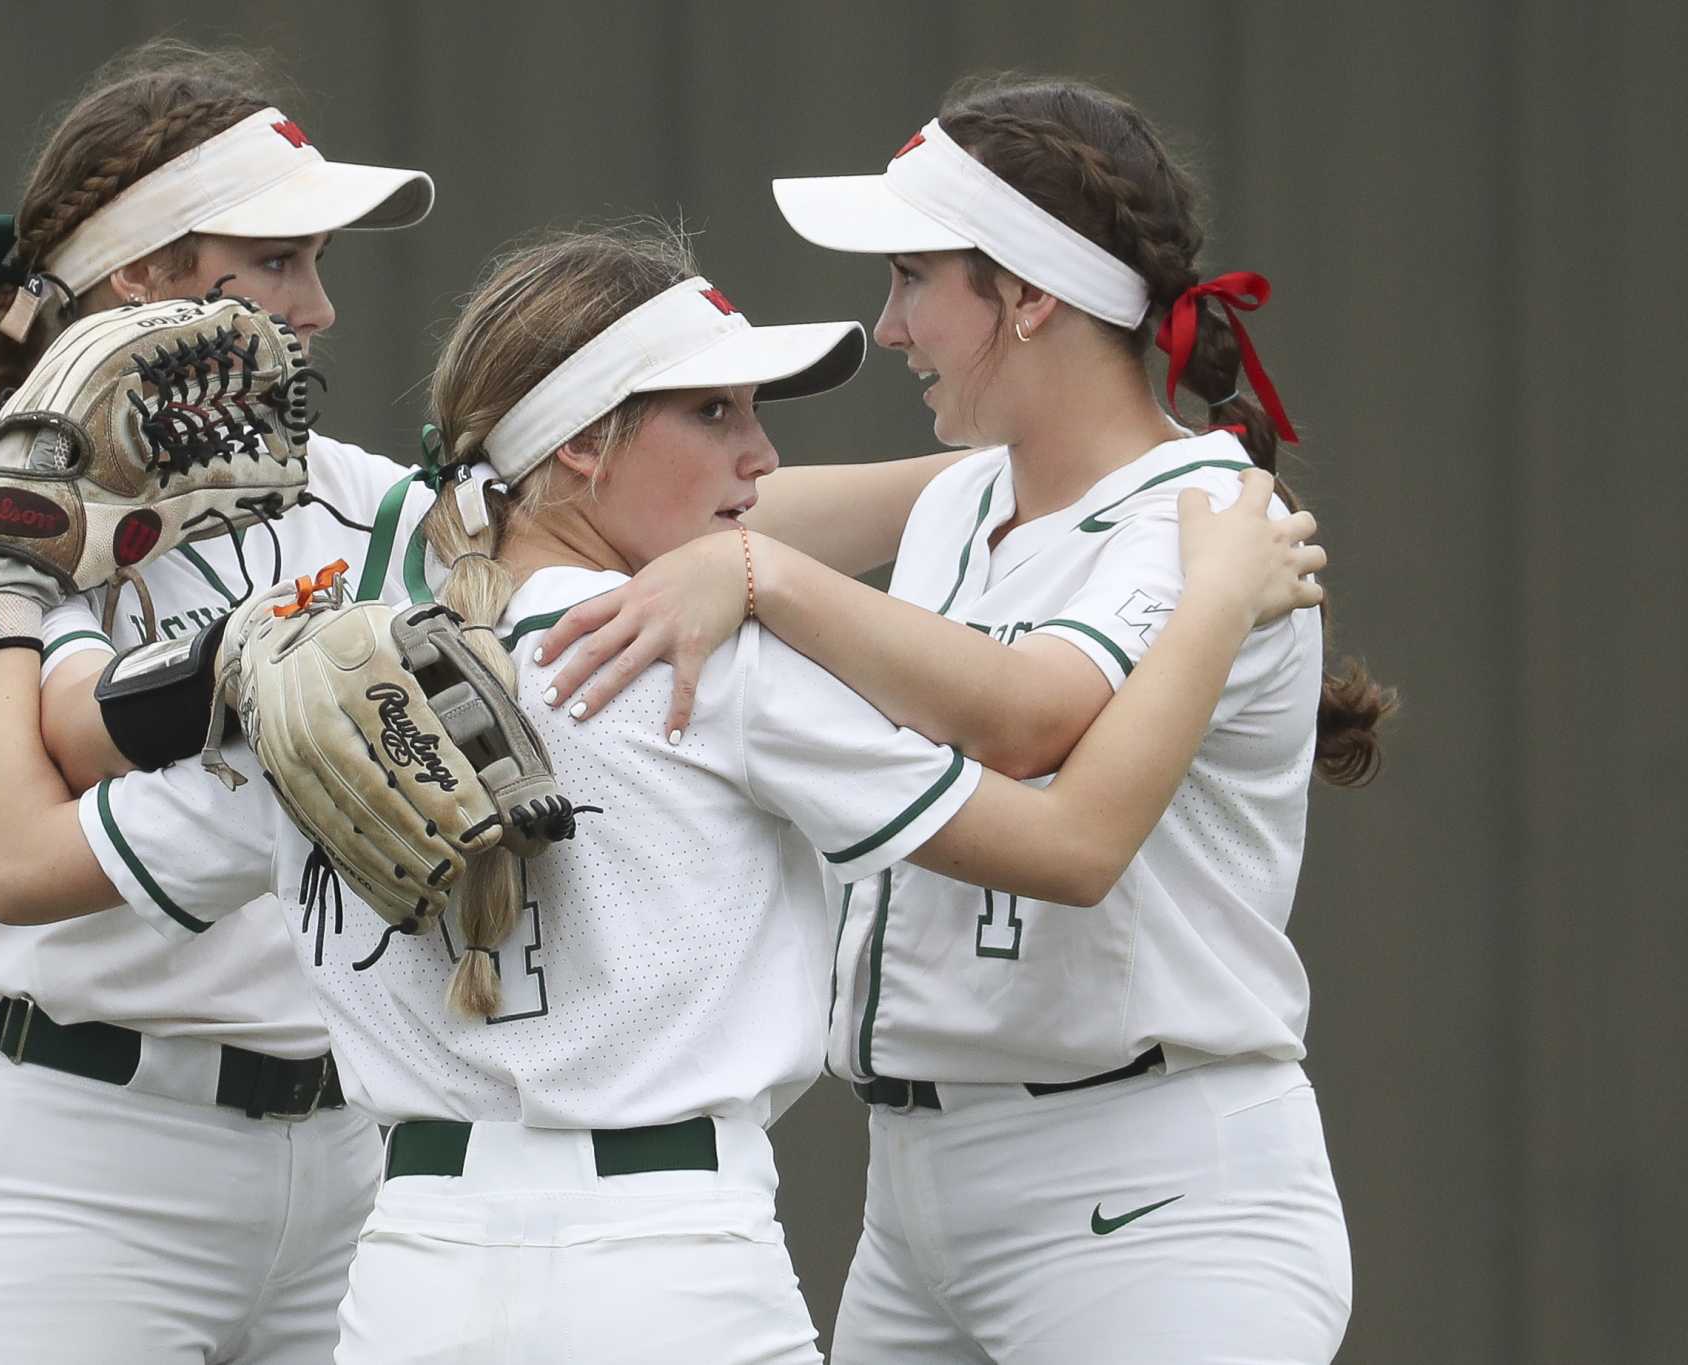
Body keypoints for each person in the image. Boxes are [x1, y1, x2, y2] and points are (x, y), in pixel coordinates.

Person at [0, 222, 1325, 1364]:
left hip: (414, 1279)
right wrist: (1213, 598)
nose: (762, 460)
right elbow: (1072, 842)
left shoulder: (309, 681)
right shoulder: (718, 667)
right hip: (675, 1269)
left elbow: (20, 864)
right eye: (714, 411)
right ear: (581, 450)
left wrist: (1, 602)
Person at [529, 77, 1392, 1364]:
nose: (888, 327)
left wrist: (759, 579)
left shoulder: (1205, 517)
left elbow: (1025, 722)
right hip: (921, 1201)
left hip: (1151, 1198)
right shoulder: (966, 500)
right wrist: (502, 491)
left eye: (912, 278)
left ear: (1031, 294)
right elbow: (652, 521)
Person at [0, 40, 442, 1364]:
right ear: (141, 280)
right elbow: (69, 744)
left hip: (351, 1157)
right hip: (68, 1165)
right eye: (279, 261)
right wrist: (264, 655)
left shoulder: (340, 492)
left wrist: (739, 562)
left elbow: (586, 534)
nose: (321, 308)